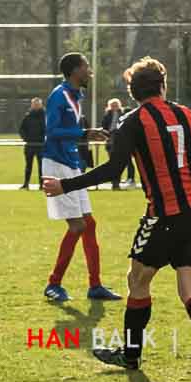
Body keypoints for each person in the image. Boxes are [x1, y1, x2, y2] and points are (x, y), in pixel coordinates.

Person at [45, 57, 191, 377]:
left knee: (136, 281)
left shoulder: (133, 121)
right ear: (163, 86)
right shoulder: (185, 113)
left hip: (165, 214)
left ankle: (130, 356)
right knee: (189, 288)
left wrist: (65, 186)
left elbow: (114, 169)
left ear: (132, 92)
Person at [39, 54, 117, 303]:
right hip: (57, 163)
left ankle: (95, 286)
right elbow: (51, 131)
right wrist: (85, 132)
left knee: (89, 224)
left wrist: (83, 138)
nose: (89, 70)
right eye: (85, 66)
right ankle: (53, 284)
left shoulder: (74, 95)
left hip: (71, 163)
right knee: (78, 226)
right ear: (74, 71)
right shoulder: (59, 95)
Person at [19, 97, 45, 188]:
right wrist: (26, 139)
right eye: (34, 104)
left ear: (41, 105)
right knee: (28, 166)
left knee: (42, 166)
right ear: (31, 105)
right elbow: (22, 129)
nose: (36, 106)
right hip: (29, 145)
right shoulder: (28, 116)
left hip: (41, 145)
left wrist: (43, 139)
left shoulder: (45, 116)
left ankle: (42, 184)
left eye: (37, 104)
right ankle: (26, 184)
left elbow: (48, 130)